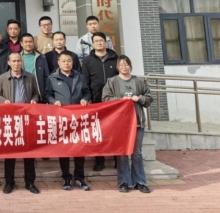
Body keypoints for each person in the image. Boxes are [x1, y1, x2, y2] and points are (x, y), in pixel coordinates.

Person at [102, 56, 153, 194]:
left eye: (126, 64)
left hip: (137, 123)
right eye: (121, 65)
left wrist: (139, 98)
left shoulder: (139, 81)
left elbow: (149, 98)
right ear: (117, 67)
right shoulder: (112, 81)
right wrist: (120, 100)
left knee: (137, 153)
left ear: (130, 66)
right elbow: (105, 99)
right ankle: (124, 182)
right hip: (120, 124)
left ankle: (140, 182)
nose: (124, 67)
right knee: (123, 152)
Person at [0, 53, 40, 195]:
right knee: (10, 152)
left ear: (22, 62)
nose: (16, 63)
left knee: (29, 152)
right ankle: (9, 182)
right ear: (9, 63)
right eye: (13, 61)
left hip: (27, 119)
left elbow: (36, 93)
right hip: (10, 120)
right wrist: (3, 101)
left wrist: (34, 100)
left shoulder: (30, 77)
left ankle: (30, 182)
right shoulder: (2, 78)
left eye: (18, 61)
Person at [45, 51, 91, 191]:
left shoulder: (79, 77)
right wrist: (53, 101)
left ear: (73, 62)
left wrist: (85, 98)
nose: (66, 63)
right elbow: (47, 94)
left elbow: (87, 91)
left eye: (69, 61)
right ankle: (66, 178)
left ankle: (79, 178)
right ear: (58, 63)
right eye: (64, 61)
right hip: (61, 118)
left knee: (79, 148)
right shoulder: (52, 78)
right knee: (64, 149)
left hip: (78, 118)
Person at [82, 32, 119, 171]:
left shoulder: (116, 58)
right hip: (96, 101)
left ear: (106, 42)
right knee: (97, 132)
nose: (98, 43)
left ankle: (118, 159)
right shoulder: (87, 60)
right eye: (96, 41)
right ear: (92, 44)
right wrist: (88, 97)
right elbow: (85, 81)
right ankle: (99, 161)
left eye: (101, 40)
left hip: (114, 101)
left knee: (115, 131)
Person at [19, 33, 51, 103]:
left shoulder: (41, 57)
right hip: (22, 91)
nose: (28, 44)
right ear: (21, 44)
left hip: (38, 91)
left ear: (33, 43)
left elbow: (46, 76)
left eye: (30, 42)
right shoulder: (17, 57)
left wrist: (46, 93)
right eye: (26, 42)